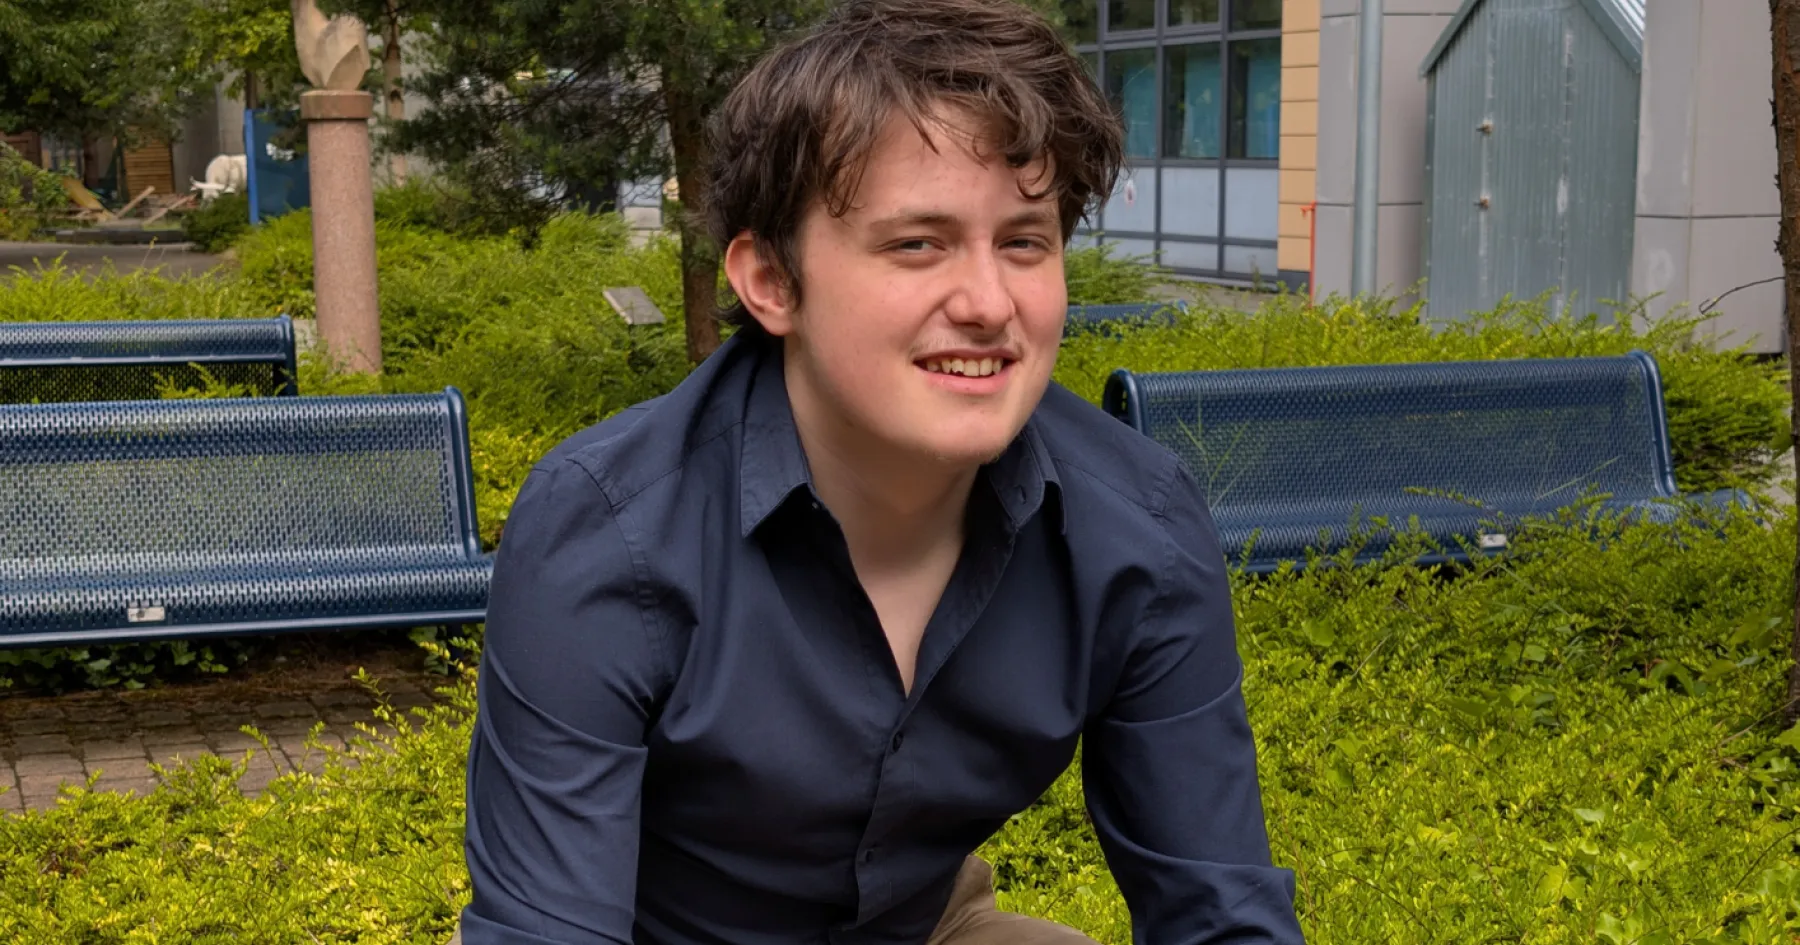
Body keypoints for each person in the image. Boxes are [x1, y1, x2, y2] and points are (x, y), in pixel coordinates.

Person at [458, 0, 1305, 942]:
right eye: (917, 243)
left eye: (1024, 241)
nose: (988, 303)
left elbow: (1221, 912)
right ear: (771, 282)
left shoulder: (1136, 527)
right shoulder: (609, 533)